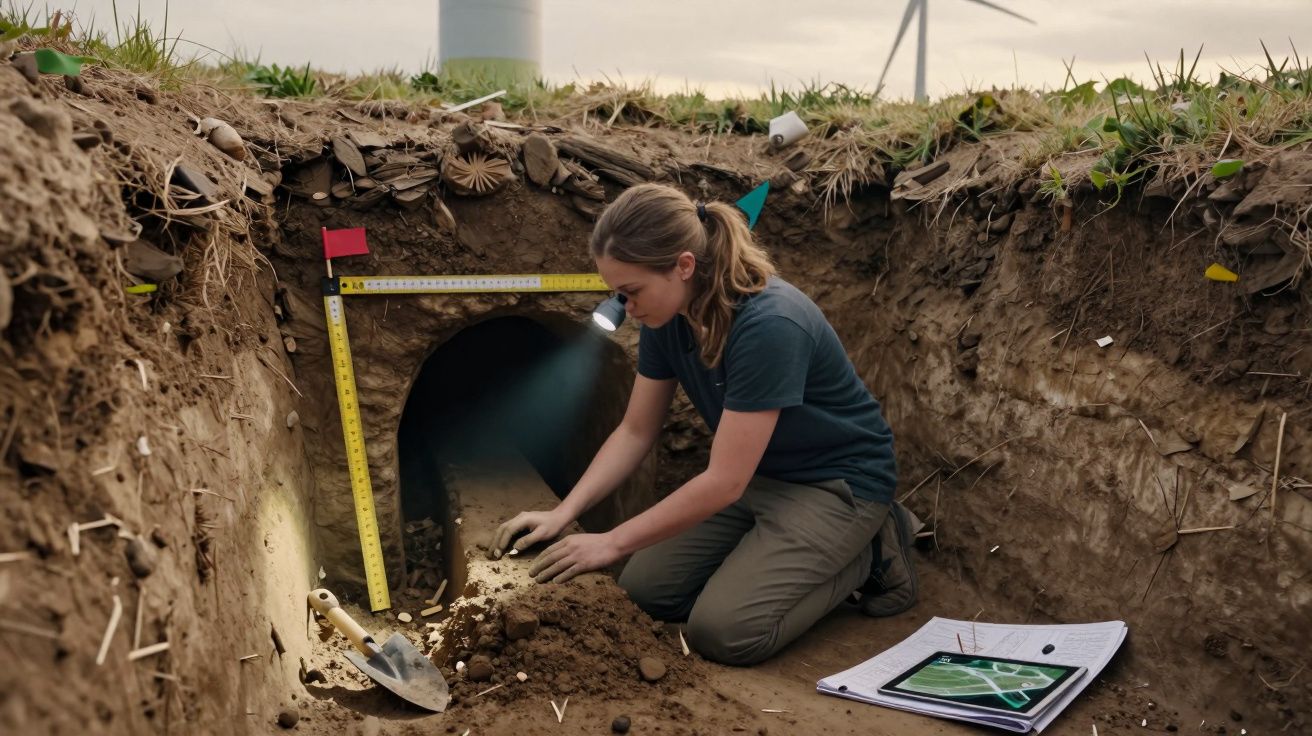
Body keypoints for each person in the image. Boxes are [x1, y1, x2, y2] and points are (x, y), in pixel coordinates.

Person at [490, 183, 917, 666]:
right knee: (644, 592)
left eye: (630, 292)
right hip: (760, 476)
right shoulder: (666, 315)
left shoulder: (769, 324)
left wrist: (611, 540)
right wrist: (563, 513)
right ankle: (769, 552)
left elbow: (723, 482)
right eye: (616, 293)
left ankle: (873, 551)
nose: (623, 308)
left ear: (684, 266)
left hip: (838, 485)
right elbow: (635, 431)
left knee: (724, 632)